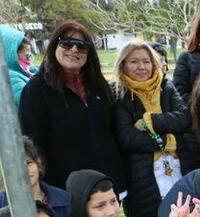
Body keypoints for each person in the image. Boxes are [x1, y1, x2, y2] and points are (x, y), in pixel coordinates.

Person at [19, 21, 125, 191]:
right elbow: (33, 145)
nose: (74, 50)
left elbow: (112, 131)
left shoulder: (98, 86)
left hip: (106, 184)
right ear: (55, 46)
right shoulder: (35, 91)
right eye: (67, 43)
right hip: (65, 189)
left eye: (82, 46)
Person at [114, 40, 193, 217]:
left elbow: (184, 118)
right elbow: (126, 137)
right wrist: (165, 139)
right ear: (123, 65)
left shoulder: (166, 88)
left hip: (177, 166)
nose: (141, 67)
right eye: (134, 62)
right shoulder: (120, 96)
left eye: (146, 61)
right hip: (144, 174)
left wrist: (151, 121)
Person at [0, 137, 70, 217]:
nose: (24, 171)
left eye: (28, 163)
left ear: (38, 165)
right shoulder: (2, 203)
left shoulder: (64, 199)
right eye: (16, 166)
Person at [1, 25, 37, 105]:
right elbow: (30, 101)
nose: (29, 54)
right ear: (12, 52)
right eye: (26, 50)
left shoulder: (24, 68)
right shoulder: (11, 76)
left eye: (29, 50)